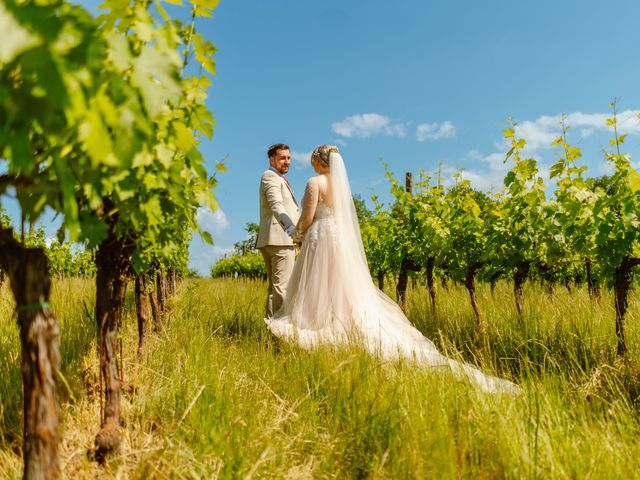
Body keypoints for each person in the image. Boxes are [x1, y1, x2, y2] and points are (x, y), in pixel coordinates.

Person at [266, 145, 520, 394]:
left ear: (319, 161)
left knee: (317, 286)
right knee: (341, 286)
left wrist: (296, 236)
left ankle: (319, 324)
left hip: (321, 239)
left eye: (312, 159)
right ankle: (344, 323)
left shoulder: (315, 182)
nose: (311, 164)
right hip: (341, 241)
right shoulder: (342, 188)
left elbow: (308, 218)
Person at [256, 143, 300, 317]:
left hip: (276, 239)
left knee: (276, 288)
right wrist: (292, 230)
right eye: (282, 158)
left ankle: (271, 331)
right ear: (271, 159)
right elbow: (276, 205)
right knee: (283, 288)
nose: (287, 161)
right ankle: (280, 334)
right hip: (279, 239)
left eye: (289, 158)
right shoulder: (270, 176)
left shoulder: (278, 178)